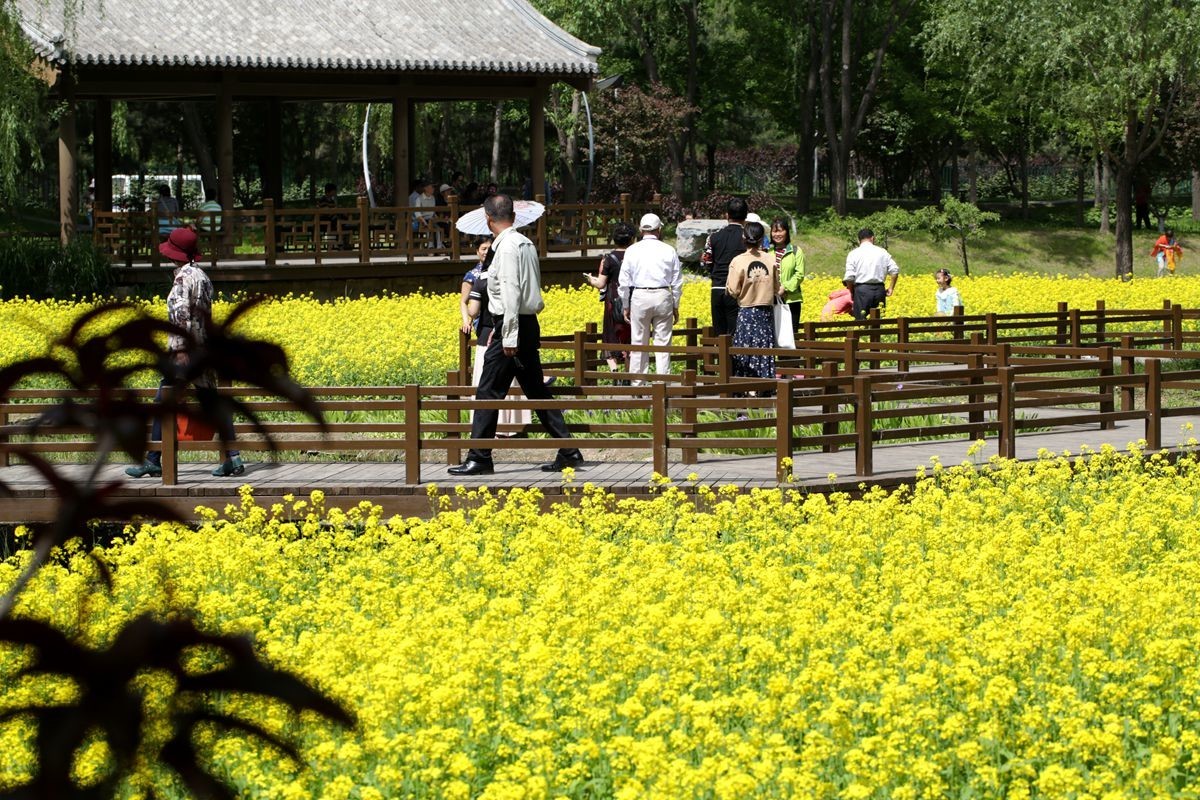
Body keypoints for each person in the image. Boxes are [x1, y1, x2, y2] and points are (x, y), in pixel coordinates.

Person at [448, 194, 583, 476]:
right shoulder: (525, 243)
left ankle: (480, 457)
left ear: (488, 219)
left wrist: (508, 337)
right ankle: (569, 450)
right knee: (535, 389)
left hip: (509, 326)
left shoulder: (506, 248)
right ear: (514, 215)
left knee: (487, 391)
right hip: (526, 323)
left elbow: (510, 292)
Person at [126, 227, 243, 479]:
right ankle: (234, 457)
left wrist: (179, 351)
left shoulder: (181, 279)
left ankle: (154, 460)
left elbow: (180, 318)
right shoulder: (202, 276)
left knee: (162, 401)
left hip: (185, 355)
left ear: (173, 253)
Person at [461, 238, 532, 436]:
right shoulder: (512, 278)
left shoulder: (480, 281)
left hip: (487, 337)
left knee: (487, 384)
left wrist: (468, 315)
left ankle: (487, 430)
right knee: (513, 382)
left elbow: (473, 310)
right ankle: (516, 426)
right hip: (512, 334)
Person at [619, 213, 683, 383]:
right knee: (663, 344)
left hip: (639, 295)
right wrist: (675, 305)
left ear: (640, 230)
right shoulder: (669, 249)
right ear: (659, 230)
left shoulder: (632, 250)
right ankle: (662, 383)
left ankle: (638, 384)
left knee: (638, 342)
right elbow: (677, 281)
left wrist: (626, 305)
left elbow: (624, 282)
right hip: (663, 295)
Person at [725, 222, 779, 382]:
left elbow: (733, 290)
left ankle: (747, 385)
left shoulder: (738, 261)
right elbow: (776, 288)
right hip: (766, 312)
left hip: (747, 312)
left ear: (744, 238)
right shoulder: (770, 259)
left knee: (745, 348)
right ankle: (765, 384)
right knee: (764, 348)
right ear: (762, 239)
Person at [584, 222, 635, 376]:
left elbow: (600, 284)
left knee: (611, 336)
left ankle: (614, 371)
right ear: (632, 239)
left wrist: (590, 279)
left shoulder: (608, 258)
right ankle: (629, 375)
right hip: (634, 300)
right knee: (631, 336)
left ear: (614, 239)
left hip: (613, 302)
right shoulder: (636, 256)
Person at [700, 197, 750, 336]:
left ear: (726, 215)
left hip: (717, 288)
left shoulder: (713, 237)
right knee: (736, 334)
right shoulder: (747, 238)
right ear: (746, 216)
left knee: (720, 334)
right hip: (739, 291)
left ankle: (721, 358)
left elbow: (706, 262)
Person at [843, 228, 899, 319]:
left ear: (858, 240)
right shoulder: (882, 252)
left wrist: (852, 291)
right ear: (873, 238)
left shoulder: (853, 254)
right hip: (880, 290)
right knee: (877, 323)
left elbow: (849, 277)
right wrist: (891, 288)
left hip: (861, 291)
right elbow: (895, 270)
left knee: (861, 323)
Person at [770, 218, 804, 337]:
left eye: (780, 231)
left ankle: (791, 357)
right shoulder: (767, 252)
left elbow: (799, 274)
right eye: (774, 231)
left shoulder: (796, 251)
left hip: (792, 300)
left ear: (787, 232)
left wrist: (785, 288)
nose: (777, 234)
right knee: (774, 335)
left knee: (791, 335)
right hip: (771, 299)